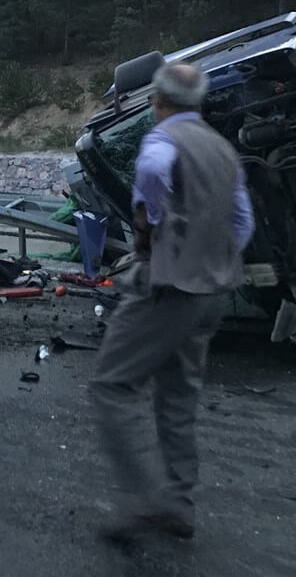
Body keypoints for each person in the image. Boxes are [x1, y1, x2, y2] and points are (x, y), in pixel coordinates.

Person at [89, 63, 255, 543]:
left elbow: (153, 171)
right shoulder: (223, 149)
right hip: (215, 290)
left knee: (111, 384)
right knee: (178, 396)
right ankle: (179, 500)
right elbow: (242, 223)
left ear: (156, 102)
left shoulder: (161, 141)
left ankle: (145, 500)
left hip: (169, 286)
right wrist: (214, 257)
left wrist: (157, 224)